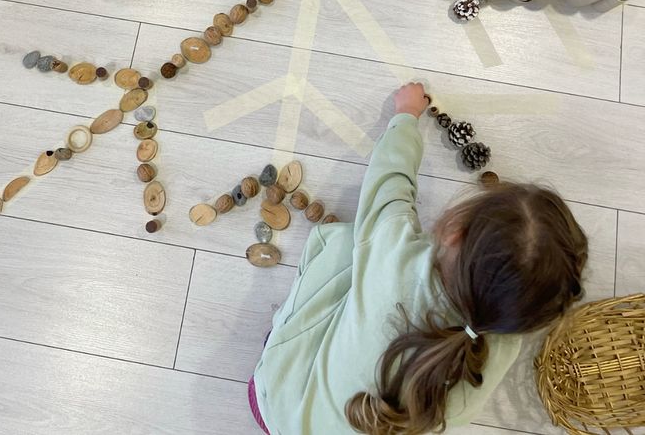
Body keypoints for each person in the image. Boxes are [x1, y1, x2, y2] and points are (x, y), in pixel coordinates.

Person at [249, 83, 587, 435]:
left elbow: (388, 184)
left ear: (453, 230)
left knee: (348, 244)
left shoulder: (397, 254)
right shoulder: (494, 353)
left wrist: (406, 116)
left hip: (275, 399)